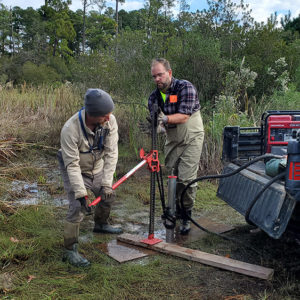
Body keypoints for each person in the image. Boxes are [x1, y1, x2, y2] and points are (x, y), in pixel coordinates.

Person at [57, 88, 122, 267]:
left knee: (108, 195)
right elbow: (72, 165)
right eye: (105, 115)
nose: (109, 117)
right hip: (75, 168)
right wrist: (81, 193)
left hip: (98, 166)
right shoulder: (70, 129)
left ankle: (101, 223)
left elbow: (111, 153)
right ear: (92, 115)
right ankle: (70, 250)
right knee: (77, 206)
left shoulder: (110, 121)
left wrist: (107, 184)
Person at [148, 58, 205, 235]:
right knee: (172, 177)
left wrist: (163, 119)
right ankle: (172, 211)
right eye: (154, 76)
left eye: (160, 74)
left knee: (186, 179)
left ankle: (185, 216)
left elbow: (184, 116)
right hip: (172, 138)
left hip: (192, 136)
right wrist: (156, 127)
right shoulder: (154, 97)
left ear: (169, 73)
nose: (157, 79)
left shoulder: (184, 87)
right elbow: (155, 120)